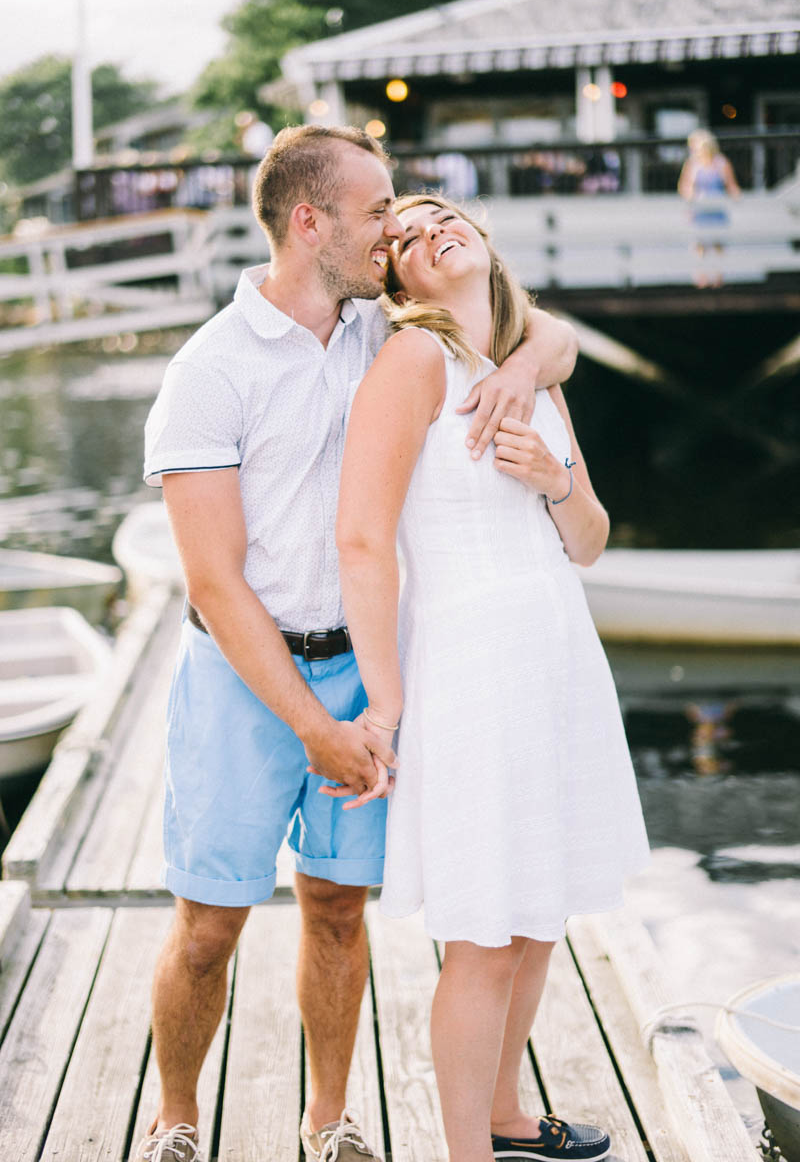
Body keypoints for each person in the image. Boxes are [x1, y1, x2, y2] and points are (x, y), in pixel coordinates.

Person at [137, 125, 579, 1162]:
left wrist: (522, 369)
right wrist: (311, 725)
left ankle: (328, 1117)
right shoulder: (208, 371)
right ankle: (173, 1119)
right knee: (208, 923)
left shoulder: (383, 330)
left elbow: (543, 328)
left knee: (336, 909)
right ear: (310, 222)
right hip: (244, 672)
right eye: (377, 208)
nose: (394, 227)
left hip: (366, 665)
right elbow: (212, 579)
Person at [335, 193, 651, 1162]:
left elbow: (589, 539)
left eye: (439, 216)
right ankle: (464, 1152)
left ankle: (509, 1114)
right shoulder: (411, 360)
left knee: (538, 912)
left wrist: (549, 481)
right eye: (403, 241)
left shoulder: (529, 372)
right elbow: (360, 539)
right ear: (397, 285)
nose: (428, 233)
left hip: (557, 656)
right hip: (473, 666)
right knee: (481, 932)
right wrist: (386, 701)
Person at [678, 129, 740, 288]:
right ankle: (702, 277)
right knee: (700, 245)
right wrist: (690, 196)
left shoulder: (721, 162)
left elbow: (731, 184)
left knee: (718, 243)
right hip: (700, 209)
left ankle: (718, 277)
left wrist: (736, 195)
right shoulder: (693, 164)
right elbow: (685, 186)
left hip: (716, 208)